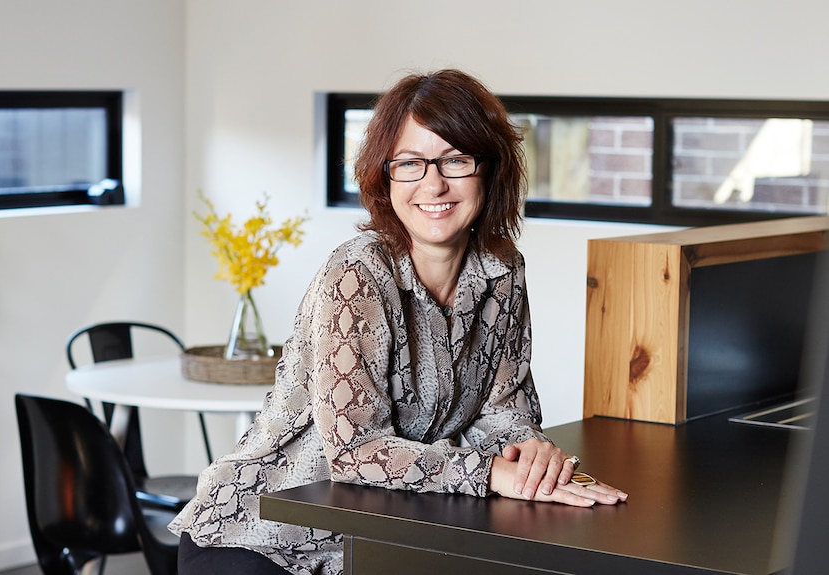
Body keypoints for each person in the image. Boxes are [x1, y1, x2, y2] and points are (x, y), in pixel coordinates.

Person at [169, 68, 628, 575]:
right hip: (257, 539)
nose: (434, 183)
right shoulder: (357, 275)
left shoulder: (502, 268)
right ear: (384, 177)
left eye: (455, 159)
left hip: (371, 541)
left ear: (489, 169)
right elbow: (356, 451)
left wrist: (533, 459)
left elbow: (501, 412)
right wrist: (489, 472)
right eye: (410, 163)